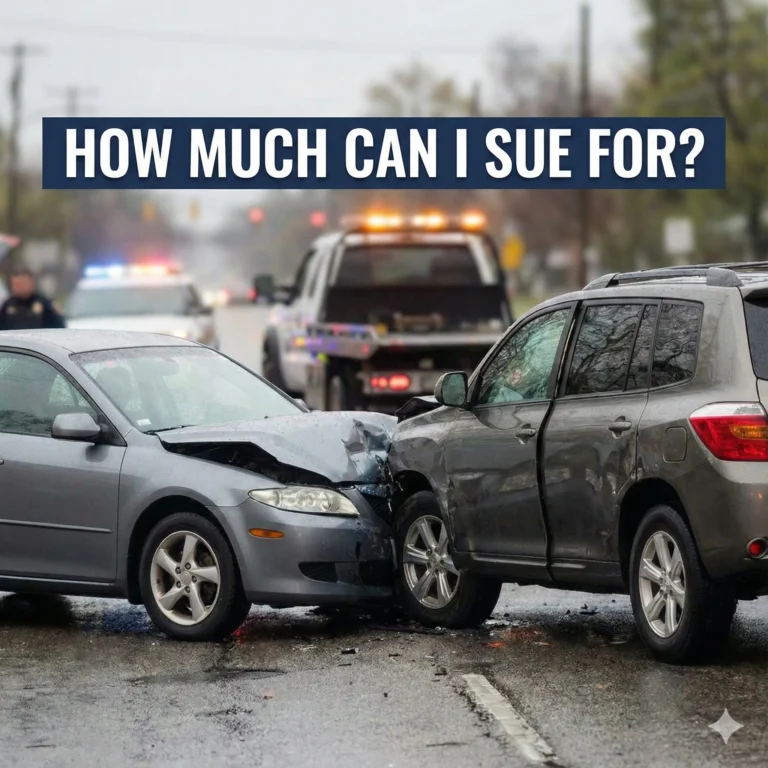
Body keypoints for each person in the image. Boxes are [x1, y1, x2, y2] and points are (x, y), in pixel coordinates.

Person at [0, 267, 66, 331]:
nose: (18, 288)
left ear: (31, 283)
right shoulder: (7, 305)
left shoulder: (45, 304)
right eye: (15, 285)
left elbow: (59, 329)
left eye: (21, 284)